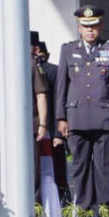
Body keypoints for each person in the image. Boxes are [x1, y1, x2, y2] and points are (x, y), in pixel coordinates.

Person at [56, 5, 109, 217]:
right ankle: (85, 208)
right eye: (86, 27)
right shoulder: (68, 50)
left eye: (94, 26)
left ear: (101, 26)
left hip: (104, 117)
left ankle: (104, 207)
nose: (90, 30)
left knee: (104, 166)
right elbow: (61, 87)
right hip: (76, 117)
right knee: (80, 165)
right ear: (78, 28)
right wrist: (60, 117)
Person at [36, 41, 70, 203]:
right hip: (37, 128)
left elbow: (59, 101)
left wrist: (58, 133)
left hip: (50, 127)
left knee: (56, 171)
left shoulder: (53, 71)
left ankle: (60, 204)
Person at [29, 31, 50, 204]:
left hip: (30, 124)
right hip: (11, 127)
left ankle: (35, 208)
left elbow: (41, 95)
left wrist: (42, 124)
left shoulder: (33, 65)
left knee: (32, 170)